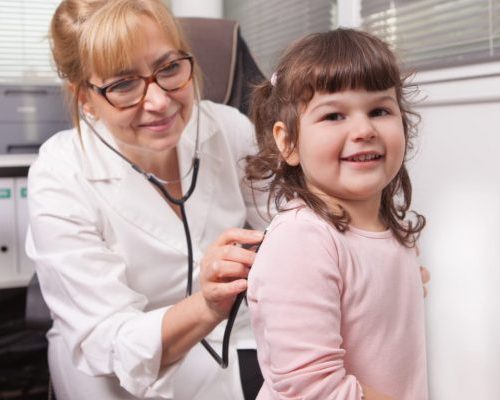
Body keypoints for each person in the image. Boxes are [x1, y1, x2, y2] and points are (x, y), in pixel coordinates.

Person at [26, 0, 267, 399]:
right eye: (123, 84)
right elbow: (107, 337)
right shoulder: (60, 173)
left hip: (227, 346)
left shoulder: (228, 128)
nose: (158, 101)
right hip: (115, 372)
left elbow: (286, 223)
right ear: (84, 97)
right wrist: (206, 305)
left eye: (169, 68)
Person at [245, 28, 428, 400]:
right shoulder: (302, 240)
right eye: (334, 116)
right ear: (289, 142)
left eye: (379, 110)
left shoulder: (385, 229)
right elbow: (313, 387)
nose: (364, 129)